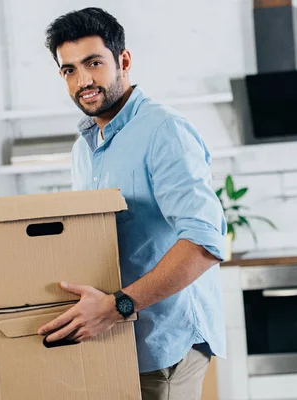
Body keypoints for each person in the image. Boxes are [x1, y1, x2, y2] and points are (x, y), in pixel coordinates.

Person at [37, 7, 227, 400]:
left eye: (93, 63)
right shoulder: (84, 148)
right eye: (69, 70)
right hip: (113, 343)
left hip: (164, 346)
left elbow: (206, 243)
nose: (83, 80)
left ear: (123, 60)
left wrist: (117, 307)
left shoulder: (163, 130)